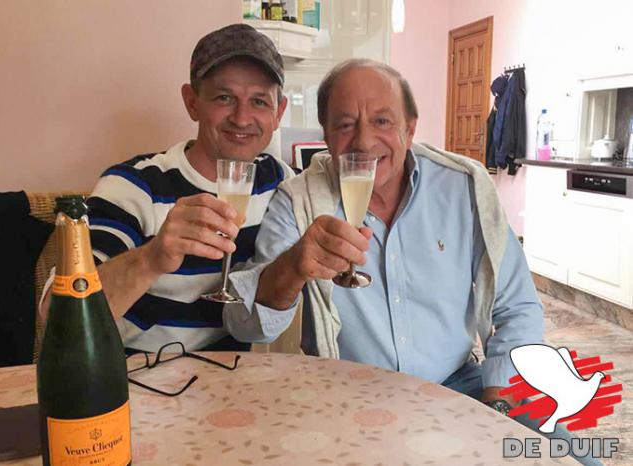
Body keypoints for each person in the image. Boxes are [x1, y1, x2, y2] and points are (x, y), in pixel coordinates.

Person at [227, 58, 601, 466]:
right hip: (351, 400)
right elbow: (248, 327)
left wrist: (497, 404)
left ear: (411, 127)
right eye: (345, 124)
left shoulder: (464, 188)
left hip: (465, 384)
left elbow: (517, 305)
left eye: (383, 122)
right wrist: (294, 265)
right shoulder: (298, 202)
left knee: (577, 459)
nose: (364, 142)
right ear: (327, 135)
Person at [40, 23, 295, 353]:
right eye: (224, 97)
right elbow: (56, 312)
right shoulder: (135, 185)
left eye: (260, 101)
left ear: (279, 113)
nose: (242, 118)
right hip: (139, 380)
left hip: (232, 385)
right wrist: (152, 258)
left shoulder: (280, 181)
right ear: (191, 102)